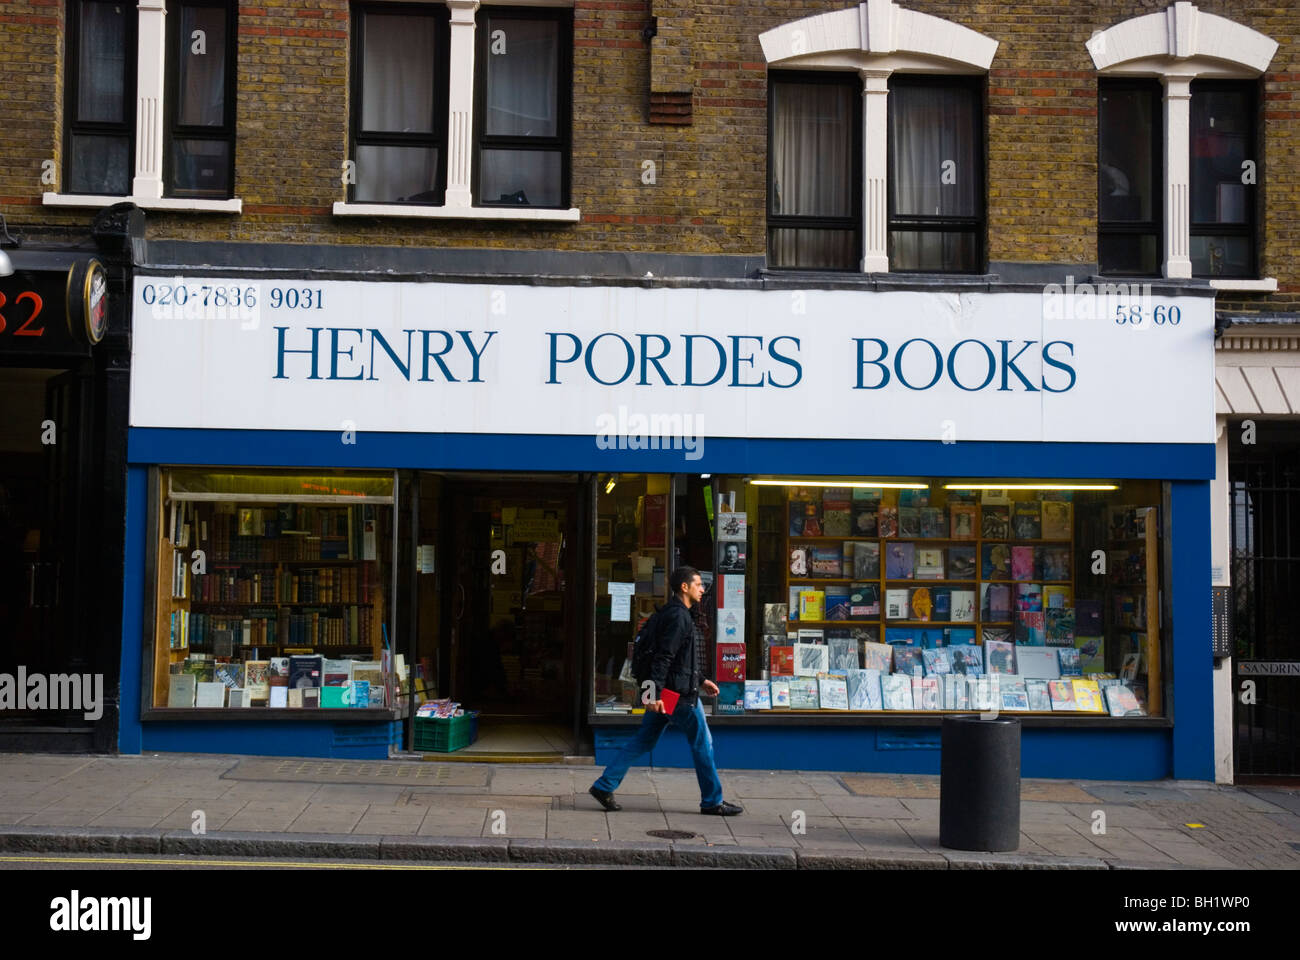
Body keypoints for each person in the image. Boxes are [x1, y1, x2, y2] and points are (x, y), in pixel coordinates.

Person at [589, 566, 743, 816]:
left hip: (667, 694)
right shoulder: (679, 617)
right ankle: (712, 801)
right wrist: (653, 696)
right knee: (703, 744)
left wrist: (702, 680)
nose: (703, 589)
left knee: (644, 740)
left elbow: (679, 660)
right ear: (685, 587)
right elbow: (663, 658)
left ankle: (604, 785)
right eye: (698, 584)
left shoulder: (674, 613)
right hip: (677, 697)